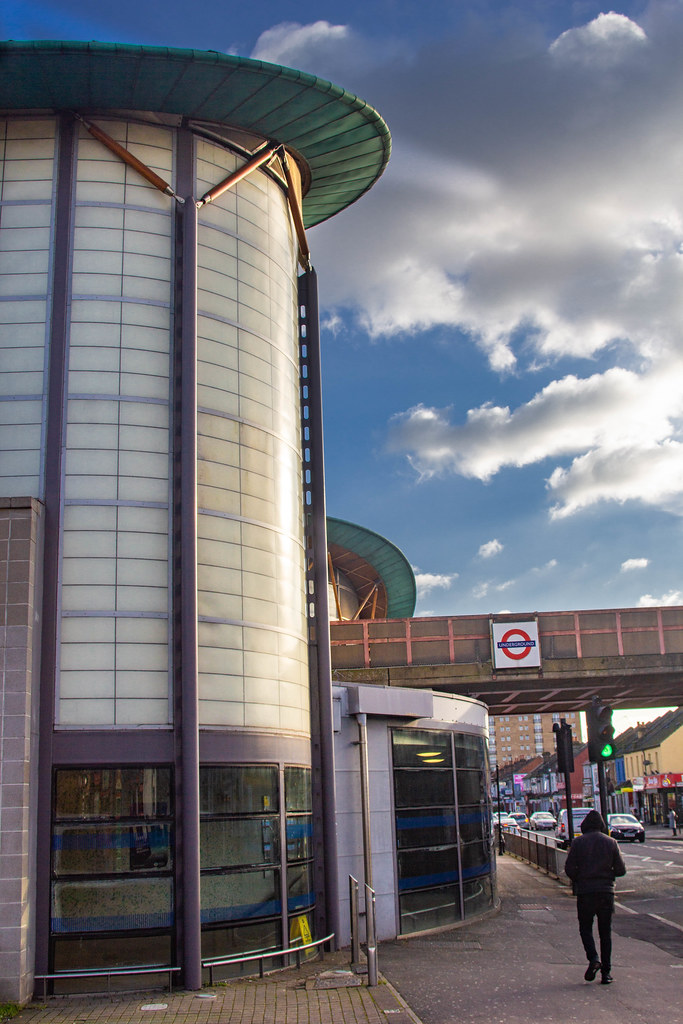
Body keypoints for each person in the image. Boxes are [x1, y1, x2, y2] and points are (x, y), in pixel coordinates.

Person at [565, 809, 626, 985]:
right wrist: (608, 875)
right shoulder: (611, 842)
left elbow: (569, 869)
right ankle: (606, 973)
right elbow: (621, 870)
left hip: (585, 892)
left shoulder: (578, 843)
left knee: (585, 928)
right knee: (605, 932)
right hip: (606, 892)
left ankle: (593, 958)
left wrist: (580, 878)